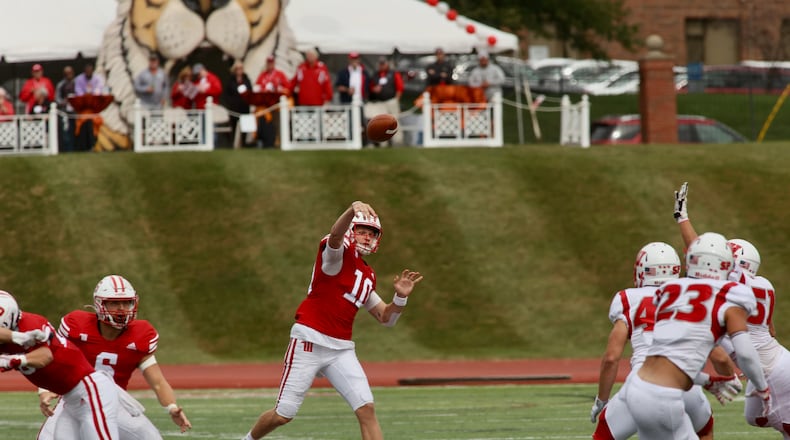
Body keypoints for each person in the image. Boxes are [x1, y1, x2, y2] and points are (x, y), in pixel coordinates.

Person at [241, 201, 423, 440]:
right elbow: (336, 235)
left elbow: (385, 318)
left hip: (340, 349)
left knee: (366, 408)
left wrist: (400, 298)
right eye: (362, 231)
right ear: (351, 230)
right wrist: (352, 209)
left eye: (372, 234)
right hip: (310, 341)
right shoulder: (337, 255)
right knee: (283, 415)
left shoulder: (367, 274)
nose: (367, 238)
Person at [621, 232, 771, 439]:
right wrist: (763, 388)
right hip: (664, 397)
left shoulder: (671, 291)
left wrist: (708, 381)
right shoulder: (729, 296)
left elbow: (670, 357)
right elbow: (745, 354)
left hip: (637, 387)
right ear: (726, 265)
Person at [591, 242, 740, 440]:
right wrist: (729, 378)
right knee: (704, 429)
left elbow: (611, 357)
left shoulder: (629, 298)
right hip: (686, 384)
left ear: (642, 271)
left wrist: (602, 400)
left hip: (643, 384)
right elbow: (719, 357)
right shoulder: (690, 300)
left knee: (603, 436)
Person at [675, 181, 790, 437]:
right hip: (771, 363)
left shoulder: (739, 285)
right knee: (755, 417)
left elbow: (699, 251)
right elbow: (769, 329)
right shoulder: (761, 285)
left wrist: (683, 219)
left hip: (774, 369)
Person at [37, 275, 192, 439]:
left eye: (126, 302)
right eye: (114, 303)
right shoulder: (76, 326)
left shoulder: (141, 335)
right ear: (99, 304)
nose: (122, 308)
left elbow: (158, 382)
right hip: (76, 399)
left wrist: (172, 407)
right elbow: (51, 358)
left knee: (150, 437)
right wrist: (45, 390)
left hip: (114, 403)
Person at [0, 290, 120, 439]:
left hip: (90, 389)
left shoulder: (32, 324)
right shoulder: (14, 333)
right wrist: (17, 337)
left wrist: (13, 360)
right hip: (70, 399)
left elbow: (45, 356)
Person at [253, 55, 290, 148]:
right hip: (265, 106)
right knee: (265, 124)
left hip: (277, 105)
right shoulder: (263, 75)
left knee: (277, 123)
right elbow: (257, 87)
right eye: (268, 63)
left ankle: (279, 141)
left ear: (274, 63)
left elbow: (287, 87)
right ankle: (265, 141)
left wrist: (278, 89)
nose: (270, 65)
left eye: (271, 63)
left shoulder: (279, 74)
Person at [367, 56, 404, 146]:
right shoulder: (375, 75)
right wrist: (374, 89)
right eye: (380, 64)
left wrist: (396, 99)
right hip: (380, 102)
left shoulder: (393, 73)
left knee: (395, 122)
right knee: (382, 123)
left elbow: (400, 87)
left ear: (387, 64)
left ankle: (398, 142)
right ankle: (383, 142)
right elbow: (370, 88)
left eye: (383, 64)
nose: (382, 65)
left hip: (391, 100)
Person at [335, 52, 370, 145]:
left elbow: (369, 85)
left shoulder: (364, 72)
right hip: (347, 101)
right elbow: (338, 86)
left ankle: (366, 142)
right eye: (352, 59)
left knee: (364, 122)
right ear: (349, 60)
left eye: (356, 59)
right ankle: (349, 141)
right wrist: (347, 90)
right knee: (348, 122)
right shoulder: (343, 72)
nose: (354, 61)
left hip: (361, 100)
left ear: (359, 60)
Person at [222, 60, 253, 147]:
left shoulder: (246, 79)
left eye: (241, 68)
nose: (239, 70)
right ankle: (232, 145)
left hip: (244, 107)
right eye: (238, 68)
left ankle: (244, 144)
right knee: (233, 126)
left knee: (245, 128)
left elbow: (250, 91)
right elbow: (226, 94)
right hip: (234, 108)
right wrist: (230, 104)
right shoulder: (231, 81)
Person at [55, 66, 77, 152]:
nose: (69, 75)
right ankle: (68, 149)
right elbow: (57, 98)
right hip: (64, 112)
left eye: (70, 72)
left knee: (76, 130)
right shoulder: (61, 85)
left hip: (76, 111)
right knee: (66, 132)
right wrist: (64, 102)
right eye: (67, 73)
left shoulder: (77, 83)